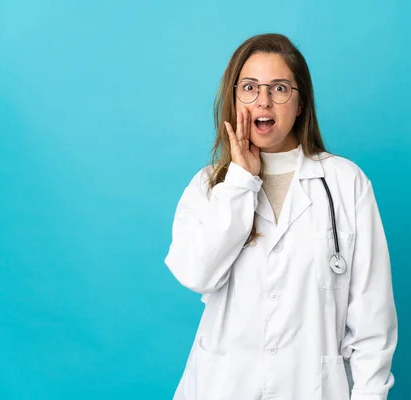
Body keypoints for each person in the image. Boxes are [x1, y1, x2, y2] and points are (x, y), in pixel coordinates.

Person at [164, 33, 398, 400]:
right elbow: (197, 274)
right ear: (234, 98)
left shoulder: (346, 183)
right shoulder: (210, 187)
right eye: (250, 87)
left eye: (279, 88)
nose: (263, 100)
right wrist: (241, 180)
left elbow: (373, 319)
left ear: (301, 102)